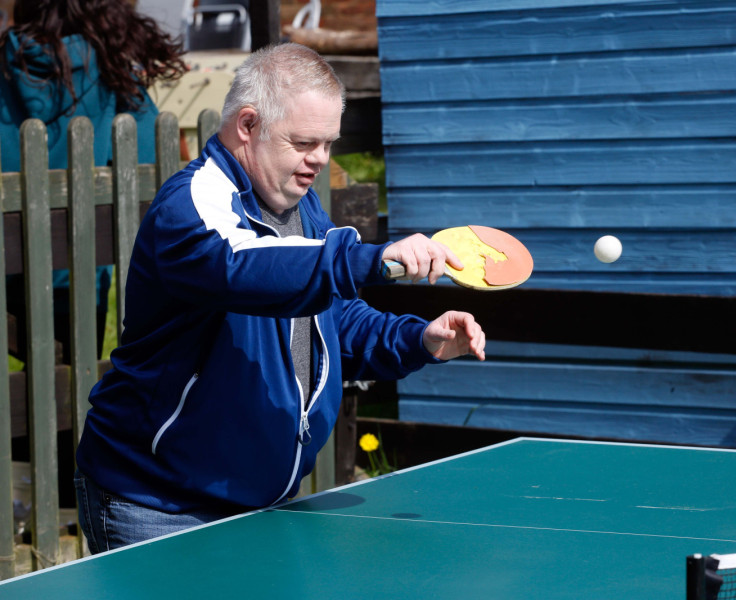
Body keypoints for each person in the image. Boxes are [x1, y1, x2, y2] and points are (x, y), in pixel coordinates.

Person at [74, 42, 486, 553]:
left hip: (260, 502)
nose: (320, 159)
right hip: (157, 503)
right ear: (248, 125)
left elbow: (329, 322)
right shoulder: (192, 205)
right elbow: (244, 268)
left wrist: (416, 339)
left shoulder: (300, 205)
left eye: (329, 143)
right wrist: (371, 258)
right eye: (304, 142)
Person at [0, 0, 186, 361]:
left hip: (9, 265)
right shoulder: (109, 68)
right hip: (80, 272)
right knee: (75, 377)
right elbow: (152, 168)